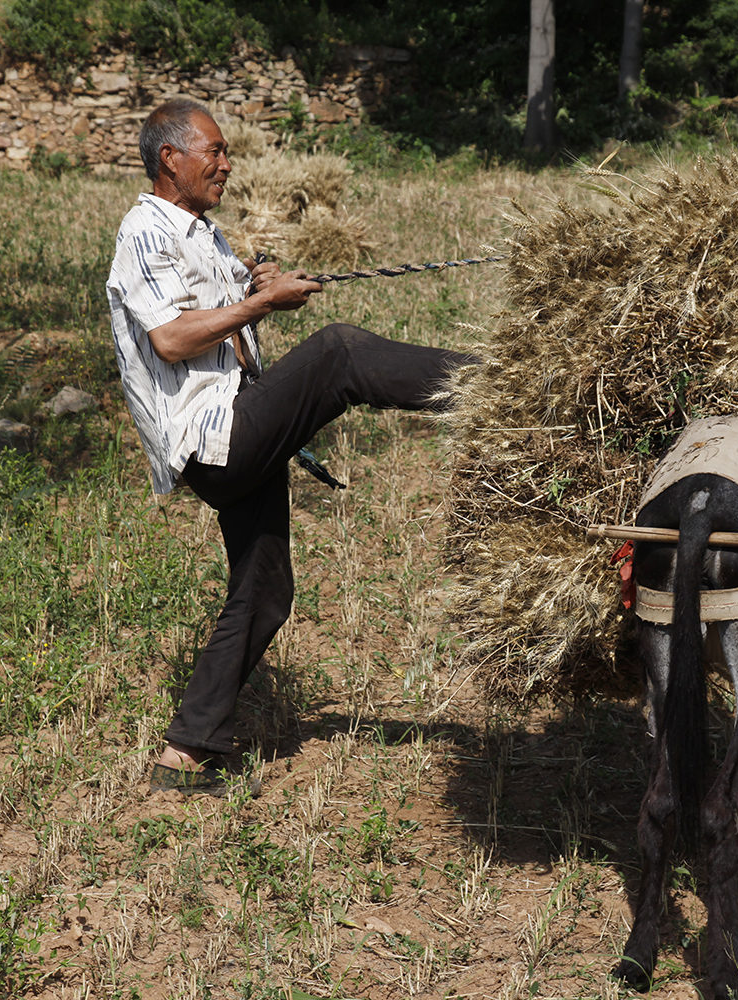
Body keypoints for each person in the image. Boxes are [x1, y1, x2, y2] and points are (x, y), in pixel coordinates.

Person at [106, 98, 475, 795]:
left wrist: (255, 281)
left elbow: (218, 307)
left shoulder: (200, 234)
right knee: (339, 352)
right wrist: (261, 306)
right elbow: (173, 338)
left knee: (265, 590)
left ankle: (185, 750)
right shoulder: (144, 232)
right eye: (213, 151)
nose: (226, 163)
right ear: (169, 159)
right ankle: (498, 392)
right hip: (214, 437)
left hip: (239, 422)